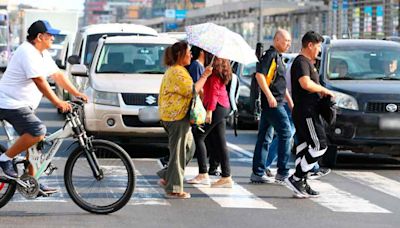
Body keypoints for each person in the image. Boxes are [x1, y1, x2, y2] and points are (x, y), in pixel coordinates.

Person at [0, 20, 88, 195]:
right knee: (37, 131)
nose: (53, 38)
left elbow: (57, 76)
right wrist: (58, 102)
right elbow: (40, 81)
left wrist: (76, 93)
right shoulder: (27, 52)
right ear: (39, 37)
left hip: (23, 105)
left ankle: (32, 183)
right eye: (50, 35)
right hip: (9, 103)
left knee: (36, 146)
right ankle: (4, 159)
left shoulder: (41, 54)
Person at [157, 41, 212, 199]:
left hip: (177, 116)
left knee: (189, 148)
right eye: (188, 52)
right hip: (176, 117)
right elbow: (192, 91)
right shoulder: (177, 72)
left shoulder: (178, 70)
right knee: (179, 152)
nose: (191, 54)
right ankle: (174, 188)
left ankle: (168, 176)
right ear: (180, 55)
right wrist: (204, 76)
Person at [285, 31, 335, 198]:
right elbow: (305, 84)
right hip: (306, 112)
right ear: (310, 45)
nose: (319, 51)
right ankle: (297, 178)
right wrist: (324, 89)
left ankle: (302, 183)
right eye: (318, 46)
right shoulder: (301, 62)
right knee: (319, 145)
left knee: (304, 147)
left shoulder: (308, 63)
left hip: (307, 111)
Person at [265, 56, 331, 181]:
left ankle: (310, 169)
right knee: (287, 135)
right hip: (291, 105)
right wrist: (291, 104)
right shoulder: (298, 64)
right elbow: (286, 87)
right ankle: (273, 166)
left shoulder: (294, 64)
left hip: (294, 106)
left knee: (300, 140)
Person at [250, 29, 293, 184]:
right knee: (286, 133)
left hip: (277, 101)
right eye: (286, 40)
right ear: (276, 40)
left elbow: (281, 83)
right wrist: (269, 96)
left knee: (264, 137)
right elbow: (259, 75)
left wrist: (290, 101)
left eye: (289, 41)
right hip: (273, 103)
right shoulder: (271, 55)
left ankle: (258, 172)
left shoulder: (279, 57)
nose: (288, 43)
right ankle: (282, 172)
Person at [187, 57, 233, 188]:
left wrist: (209, 111)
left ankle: (203, 173)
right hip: (222, 106)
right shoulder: (218, 69)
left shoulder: (215, 70)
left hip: (216, 106)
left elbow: (214, 93)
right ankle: (226, 176)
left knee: (199, 135)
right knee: (220, 140)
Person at [187, 46, 221, 176]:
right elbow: (197, 88)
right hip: (201, 106)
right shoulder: (197, 66)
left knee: (209, 138)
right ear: (202, 52)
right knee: (200, 136)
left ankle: (211, 168)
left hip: (205, 106)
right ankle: (205, 170)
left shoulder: (201, 66)